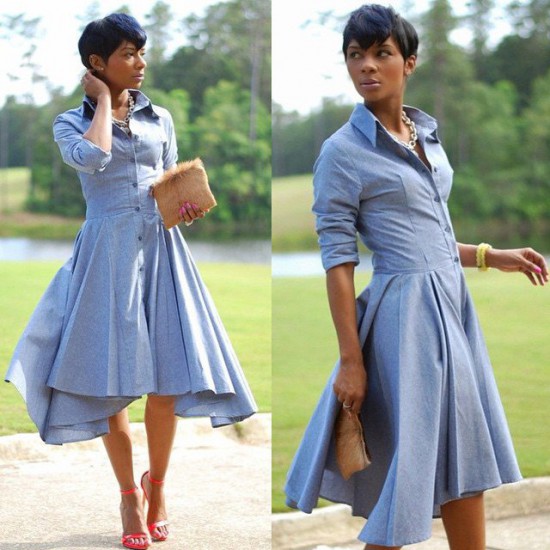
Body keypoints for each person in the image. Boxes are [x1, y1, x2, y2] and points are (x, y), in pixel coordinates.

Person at [284, 4, 548, 549]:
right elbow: (338, 261)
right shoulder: (342, 152)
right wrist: (351, 361)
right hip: (405, 321)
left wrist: (490, 255)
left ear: (410, 63)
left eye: (381, 53)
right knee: (409, 475)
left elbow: (425, 235)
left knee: (464, 460)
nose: (367, 67)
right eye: (356, 56)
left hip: (451, 307)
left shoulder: (423, 135)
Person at [5, 13, 257, 550]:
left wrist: (185, 204)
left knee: (166, 383)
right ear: (97, 64)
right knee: (113, 387)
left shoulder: (159, 116)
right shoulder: (68, 122)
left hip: (163, 252)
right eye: (128, 54)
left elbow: (167, 176)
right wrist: (100, 102)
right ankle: (128, 496)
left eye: (142, 52)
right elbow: (92, 159)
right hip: (105, 258)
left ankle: (158, 487)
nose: (141, 63)